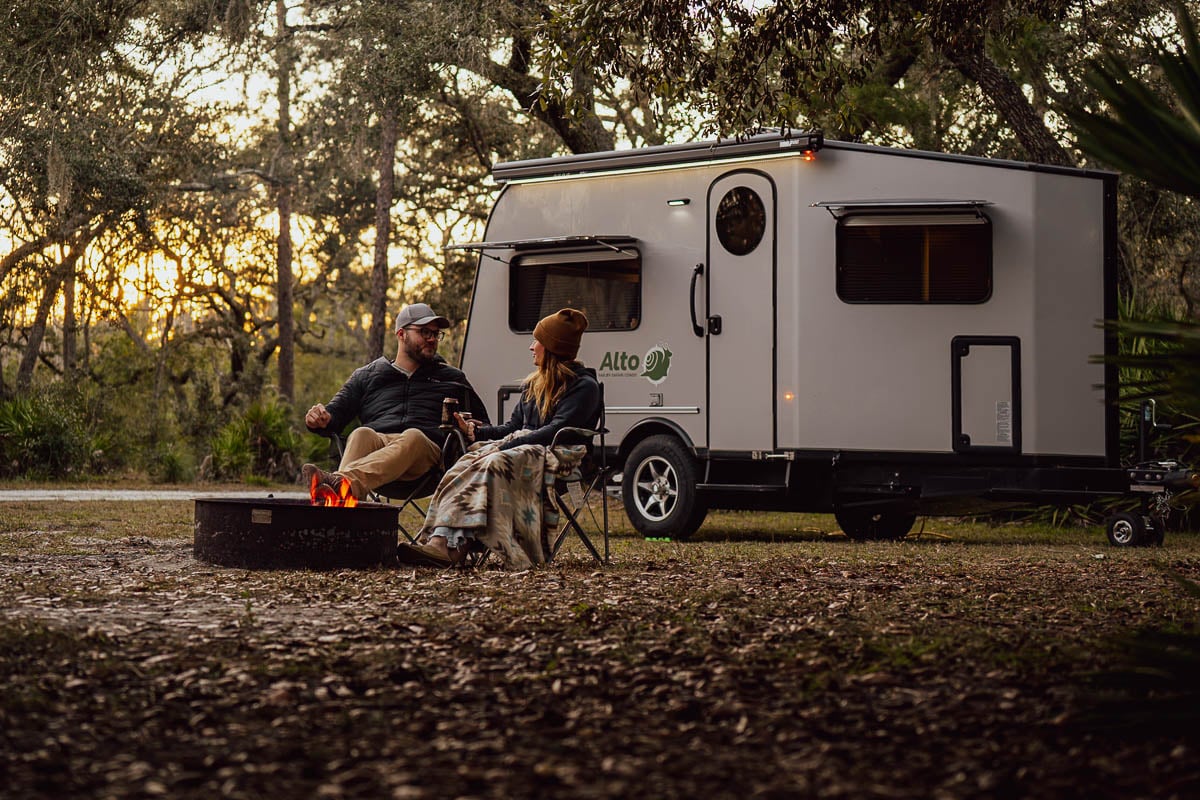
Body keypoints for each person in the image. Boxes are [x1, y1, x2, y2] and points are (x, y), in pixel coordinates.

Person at [399, 308, 601, 568]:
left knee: (495, 462)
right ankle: (443, 542)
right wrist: (476, 432)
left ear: (552, 347)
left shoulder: (584, 387)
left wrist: (508, 445)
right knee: (467, 461)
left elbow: (555, 431)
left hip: (562, 456)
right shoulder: (534, 385)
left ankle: (456, 546)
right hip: (524, 450)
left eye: (537, 341)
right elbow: (511, 427)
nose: (531, 347)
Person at [300, 302, 488, 502]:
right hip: (379, 453)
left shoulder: (452, 378)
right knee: (361, 433)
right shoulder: (367, 376)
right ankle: (343, 502)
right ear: (401, 334)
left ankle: (339, 484)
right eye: (424, 332)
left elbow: (483, 425)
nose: (432, 339)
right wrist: (318, 419)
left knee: (412, 436)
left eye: (436, 333)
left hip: (427, 459)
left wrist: (471, 428)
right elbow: (333, 416)